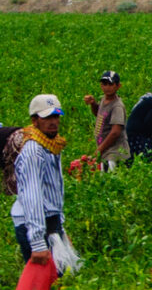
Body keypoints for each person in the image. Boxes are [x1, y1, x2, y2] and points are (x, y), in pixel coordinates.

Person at [11, 95, 68, 269]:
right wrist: (37, 243)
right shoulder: (33, 152)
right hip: (34, 225)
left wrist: (60, 225)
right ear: (35, 120)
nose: (53, 122)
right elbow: (32, 195)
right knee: (42, 286)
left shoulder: (51, 146)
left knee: (58, 281)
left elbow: (53, 190)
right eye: (47, 118)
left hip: (50, 221)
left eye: (56, 117)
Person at [82, 71, 130, 170]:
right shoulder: (104, 99)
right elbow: (100, 115)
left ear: (118, 86)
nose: (107, 87)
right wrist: (93, 104)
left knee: (108, 181)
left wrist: (99, 150)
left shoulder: (117, 107)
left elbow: (115, 132)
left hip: (114, 153)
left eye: (110, 84)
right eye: (104, 84)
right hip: (106, 151)